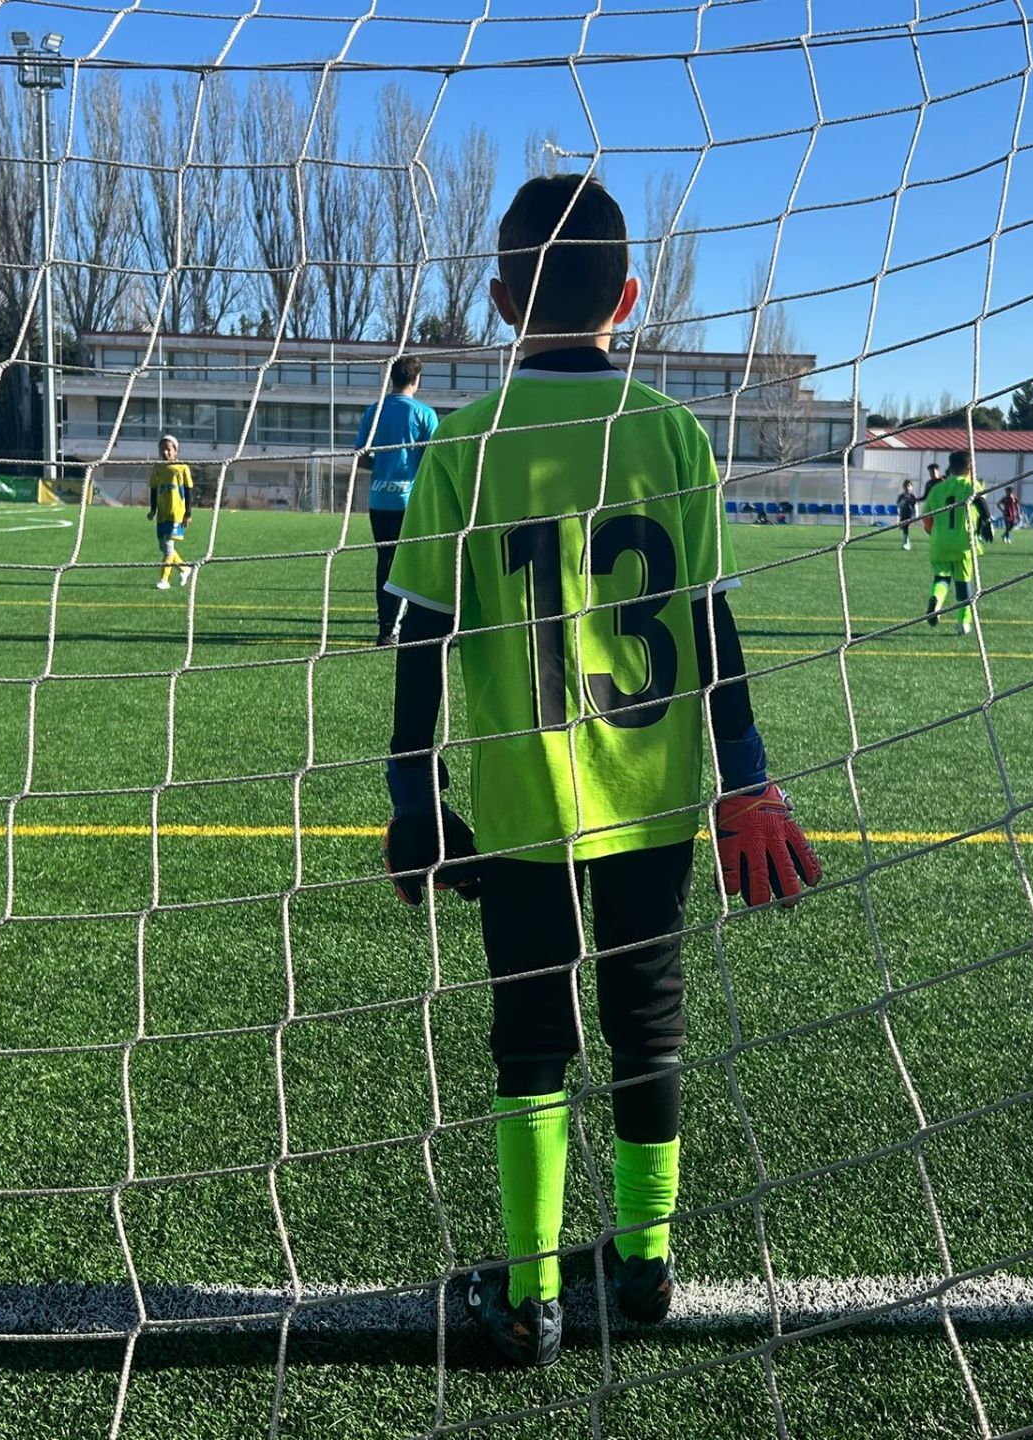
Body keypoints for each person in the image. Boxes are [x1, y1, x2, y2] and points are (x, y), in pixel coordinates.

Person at [380, 174, 821, 1368]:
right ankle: (645, 1264)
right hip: (660, 799)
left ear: (499, 299)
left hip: (526, 801)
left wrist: (413, 800)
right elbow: (716, 629)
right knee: (649, 1024)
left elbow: (418, 636)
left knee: (530, 1029)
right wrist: (750, 781)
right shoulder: (673, 434)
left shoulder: (465, 443)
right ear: (631, 297)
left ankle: (528, 1296)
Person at [355, 355, 441, 645]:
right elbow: (433, 459)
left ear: (391, 379)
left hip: (379, 499)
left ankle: (385, 629)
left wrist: (383, 467)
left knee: (385, 561)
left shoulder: (373, 411)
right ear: (416, 380)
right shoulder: (425, 414)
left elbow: (361, 457)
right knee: (413, 563)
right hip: (410, 501)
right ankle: (400, 629)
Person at [923, 448, 979, 634]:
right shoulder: (972, 486)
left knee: (941, 578)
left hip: (940, 542)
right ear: (969, 467)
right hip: (963, 542)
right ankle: (963, 622)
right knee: (963, 583)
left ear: (950, 467)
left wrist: (935, 534)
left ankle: (936, 601)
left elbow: (927, 519)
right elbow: (979, 510)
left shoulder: (937, 489)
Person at [148, 434, 194, 590]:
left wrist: (188, 513)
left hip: (176, 513)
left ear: (176, 451)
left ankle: (164, 580)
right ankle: (185, 568)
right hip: (162, 514)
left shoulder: (182, 468)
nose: (165, 453)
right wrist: (153, 509)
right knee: (164, 547)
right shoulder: (157, 468)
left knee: (168, 546)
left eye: (168, 450)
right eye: (162, 450)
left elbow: (188, 491)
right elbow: (154, 490)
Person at [895, 479, 918, 550]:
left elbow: (915, 506)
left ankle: (906, 542)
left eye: (909, 486)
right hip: (903, 514)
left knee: (906, 528)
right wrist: (898, 515)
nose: (907, 488)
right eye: (905, 486)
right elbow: (898, 505)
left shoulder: (912, 496)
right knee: (904, 528)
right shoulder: (901, 496)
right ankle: (905, 542)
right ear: (903, 487)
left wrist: (916, 515)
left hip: (910, 514)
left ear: (911, 487)